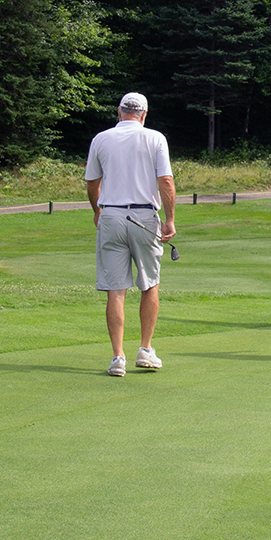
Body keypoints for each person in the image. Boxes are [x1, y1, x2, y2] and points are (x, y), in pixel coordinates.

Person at [84, 92, 178, 376]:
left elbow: (92, 183)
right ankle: (146, 350)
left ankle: (117, 357)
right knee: (149, 284)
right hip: (143, 217)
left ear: (119, 112)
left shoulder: (101, 139)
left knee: (116, 289)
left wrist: (97, 211)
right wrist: (170, 220)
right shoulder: (155, 138)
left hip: (111, 214)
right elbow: (166, 181)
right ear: (144, 114)